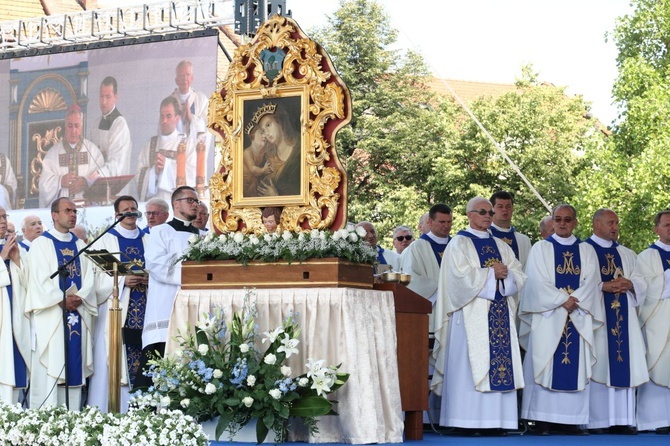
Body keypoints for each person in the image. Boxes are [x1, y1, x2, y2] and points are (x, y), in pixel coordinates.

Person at [431, 197, 526, 433]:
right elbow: (458, 279)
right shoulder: (459, 244)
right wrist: (491, 274)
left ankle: (499, 421)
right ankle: (465, 420)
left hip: (499, 313)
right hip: (470, 317)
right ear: (469, 215)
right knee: (468, 364)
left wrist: (507, 276)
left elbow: (519, 273)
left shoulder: (502, 246)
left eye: (490, 212)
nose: (488, 216)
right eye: (482, 212)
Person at [519, 204, 602, 434]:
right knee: (544, 362)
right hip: (549, 316)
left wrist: (573, 300)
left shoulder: (586, 250)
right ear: (553, 222)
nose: (562, 223)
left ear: (575, 222)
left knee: (575, 365)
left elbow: (592, 280)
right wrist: (560, 300)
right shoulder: (540, 249)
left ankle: (572, 419)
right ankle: (541, 419)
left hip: (577, 313)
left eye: (567, 219)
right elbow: (536, 281)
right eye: (558, 219)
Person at [26, 197, 97, 409]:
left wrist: (79, 297)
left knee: (73, 367)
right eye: (68, 210)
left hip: (76, 311)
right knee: (52, 363)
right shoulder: (40, 244)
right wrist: (60, 299)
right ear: (54, 215)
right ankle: (45, 418)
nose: (73, 214)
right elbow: (38, 279)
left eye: (75, 211)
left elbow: (89, 277)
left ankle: (73, 418)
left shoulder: (79, 245)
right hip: (53, 316)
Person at [585, 209, 648, 434]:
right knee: (600, 362)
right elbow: (578, 283)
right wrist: (603, 286)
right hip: (598, 319)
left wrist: (630, 285)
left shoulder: (627, 253)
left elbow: (642, 281)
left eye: (616, 223)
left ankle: (623, 419)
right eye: (610, 223)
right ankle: (597, 421)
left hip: (625, 317)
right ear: (597, 225)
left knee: (623, 361)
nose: (615, 227)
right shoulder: (585, 250)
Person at [89, 195, 149, 413]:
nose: (131, 212)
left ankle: (142, 408)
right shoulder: (105, 240)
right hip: (117, 311)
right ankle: (114, 409)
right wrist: (123, 280)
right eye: (126, 209)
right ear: (117, 214)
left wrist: (148, 278)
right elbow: (95, 278)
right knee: (114, 356)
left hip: (145, 308)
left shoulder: (148, 239)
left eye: (134, 208)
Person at [135, 186, 199, 388]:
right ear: (176, 204)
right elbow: (155, 263)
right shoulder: (160, 231)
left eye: (196, 201)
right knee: (157, 364)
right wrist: (191, 273)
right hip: (165, 307)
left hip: (193, 306)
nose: (195, 205)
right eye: (190, 200)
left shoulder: (203, 235)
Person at [634, 208, 670, 434]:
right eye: (667, 225)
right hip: (658, 320)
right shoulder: (646, 256)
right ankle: (654, 420)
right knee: (658, 364)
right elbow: (644, 290)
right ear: (657, 229)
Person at [39, 105, 106, 208]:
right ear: (65, 126)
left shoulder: (93, 151)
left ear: (81, 126)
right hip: (63, 211)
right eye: (70, 126)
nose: (74, 130)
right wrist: (60, 181)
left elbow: (101, 178)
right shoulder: (53, 154)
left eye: (77, 126)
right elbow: (44, 185)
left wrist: (86, 182)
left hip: (87, 207)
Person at [136, 96, 195, 202]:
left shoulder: (186, 143)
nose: (164, 120)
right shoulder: (151, 145)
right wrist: (154, 172)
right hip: (155, 207)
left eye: (168, 116)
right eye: (162, 116)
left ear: (177, 118)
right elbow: (139, 175)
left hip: (178, 205)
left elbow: (193, 174)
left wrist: (166, 166)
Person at [0, 206, 30, 404]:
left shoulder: (16, 248)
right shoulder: (4, 251)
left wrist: (17, 260)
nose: (3, 220)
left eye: (4, 216)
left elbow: (29, 284)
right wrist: (2, 258)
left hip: (14, 320)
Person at [401, 204, 453, 308]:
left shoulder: (456, 245)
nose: (446, 226)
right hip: (433, 305)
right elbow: (411, 278)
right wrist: (440, 291)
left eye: (449, 222)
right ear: (430, 221)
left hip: (456, 303)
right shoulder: (417, 247)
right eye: (442, 222)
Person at [254, 103, 301, 197]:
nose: (266, 133)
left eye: (268, 125)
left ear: (279, 122)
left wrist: (275, 196)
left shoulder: (300, 150)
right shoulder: (268, 158)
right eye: (263, 130)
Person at [89, 76, 132, 179]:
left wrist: (99, 173)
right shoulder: (95, 124)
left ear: (115, 97)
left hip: (115, 185)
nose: (103, 102)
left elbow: (117, 163)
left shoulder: (120, 125)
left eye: (108, 97)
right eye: (101, 96)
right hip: (97, 182)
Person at [489, 191, 532, 267]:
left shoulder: (524, 240)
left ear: (512, 209)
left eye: (508, 206)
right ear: (492, 210)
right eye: (500, 206)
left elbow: (528, 268)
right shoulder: (485, 236)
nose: (505, 210)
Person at [170, 60, 209, 137]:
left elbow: (208, 126)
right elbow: (164, 129)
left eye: (188, 75)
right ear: (176, 80)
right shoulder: (169, 101)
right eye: (181, 75)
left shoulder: (201, 99)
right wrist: (180, 119)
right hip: (175, 147)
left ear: (192, 78)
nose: (185, 78)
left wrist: (191, 117)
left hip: (195, 147)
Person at [243, 125, 272, 197]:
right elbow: (252, 169)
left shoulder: (263, 151)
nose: (264, 136)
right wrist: (263, 170)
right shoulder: (247, 152)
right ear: (252, 136)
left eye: (264, 133)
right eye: (261, 133)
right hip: (246, 184)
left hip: (254, 183)